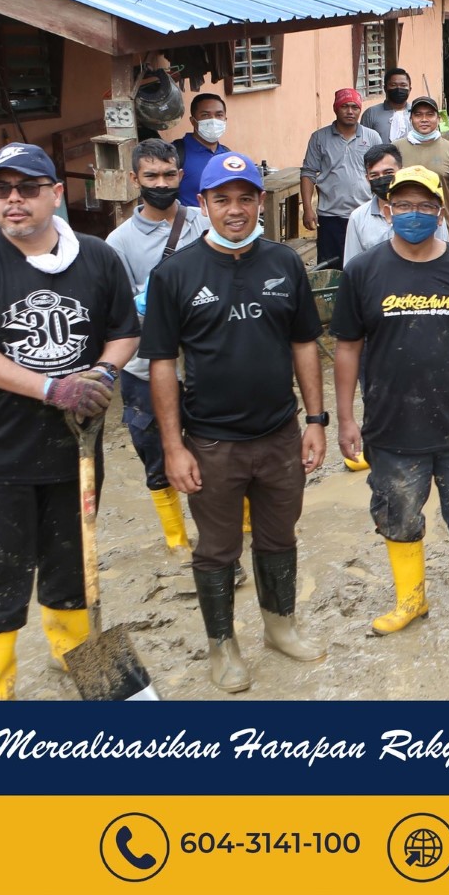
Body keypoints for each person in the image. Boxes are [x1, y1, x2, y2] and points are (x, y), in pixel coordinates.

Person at [0, 143, 140, 699]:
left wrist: (102, 372)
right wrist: (52, 388)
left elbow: (124, 331)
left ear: (56, 194)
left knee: (73, 569)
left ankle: (73, 657)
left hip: (75, 451)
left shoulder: (96, 257)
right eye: (1, 190)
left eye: (27, 188)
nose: (14, 200)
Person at [142, 152, 328, 693]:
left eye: (246, 198)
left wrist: (315, 420)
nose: (235, 209)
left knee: (278, 535)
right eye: (221, 199)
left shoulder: (284, 263)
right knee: (217, 548)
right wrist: (173, 446)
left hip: (279, 435)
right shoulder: (174, 274)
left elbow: (304, 344)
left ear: (260, 202)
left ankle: (280, 626)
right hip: (211, 442)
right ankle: (222, 646)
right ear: (203, 204)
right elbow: (161, 363)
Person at [332, 165, 449, 645]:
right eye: (403, 205)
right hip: (390, 425)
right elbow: (347, 347)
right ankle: (410, 600)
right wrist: (346, 417)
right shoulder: (363, 271)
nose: (413, 214)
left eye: (424, 206)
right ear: (387, 209)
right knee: (397, 514)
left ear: (440, 213)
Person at [105, 138, 208, 555]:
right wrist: (147, 302)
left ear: (180, 175)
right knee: (155, 452)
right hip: (144, 369)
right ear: (135, 179)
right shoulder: (118, 242)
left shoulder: (204, 221)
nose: (161, 183)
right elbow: (117, 313)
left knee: (217, 448)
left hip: (205, 361)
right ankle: (176, 540)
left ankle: (237, 527)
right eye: (151, 176)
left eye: (168, 175)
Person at [300, 87, 382, 269]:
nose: (350, 111)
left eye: (355, 107)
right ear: (335, 108)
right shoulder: (319, 138)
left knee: (365, 266)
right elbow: (308, 173)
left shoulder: (372, 137)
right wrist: (307, 209)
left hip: (365, 213)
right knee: (331, 269)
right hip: (331, 217)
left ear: (360, 110)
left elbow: (382, 172)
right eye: (345, 106)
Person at [398, 95, 449, 247]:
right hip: (403, 228)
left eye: (430, 114)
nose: (424, 119)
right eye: (418, 115)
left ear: (438, 118)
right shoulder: (396, 149)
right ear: (411, 119)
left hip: (441, 228)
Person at [342, 143, 405, 268]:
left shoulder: (425, 212)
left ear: (402, 171)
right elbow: (352, 266)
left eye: (388, 172)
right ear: (367, 179)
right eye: (374, 175)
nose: (382, 179)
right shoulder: (358, 218)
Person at [173, 92, 229, 207]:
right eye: (205, 115)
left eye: (219, 115)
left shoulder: (227, 155)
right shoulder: (175, 153)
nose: (213, 120)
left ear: (225, 119)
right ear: (193, 121)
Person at [360, 67, 413, 145]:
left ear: (410, 89)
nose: (398, 89)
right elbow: (363, 143)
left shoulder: (417, 113)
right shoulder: (371, 113)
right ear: (385, 88)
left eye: (403, 85)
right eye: (393, 85)